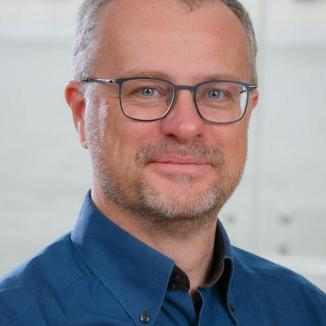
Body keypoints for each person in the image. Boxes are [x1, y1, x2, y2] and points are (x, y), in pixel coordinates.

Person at [1, 0, 325, 324]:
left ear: (248, 111)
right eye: (146, 91)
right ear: (82, 113)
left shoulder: (307, 311)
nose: (185, 128)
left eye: (215, 94)